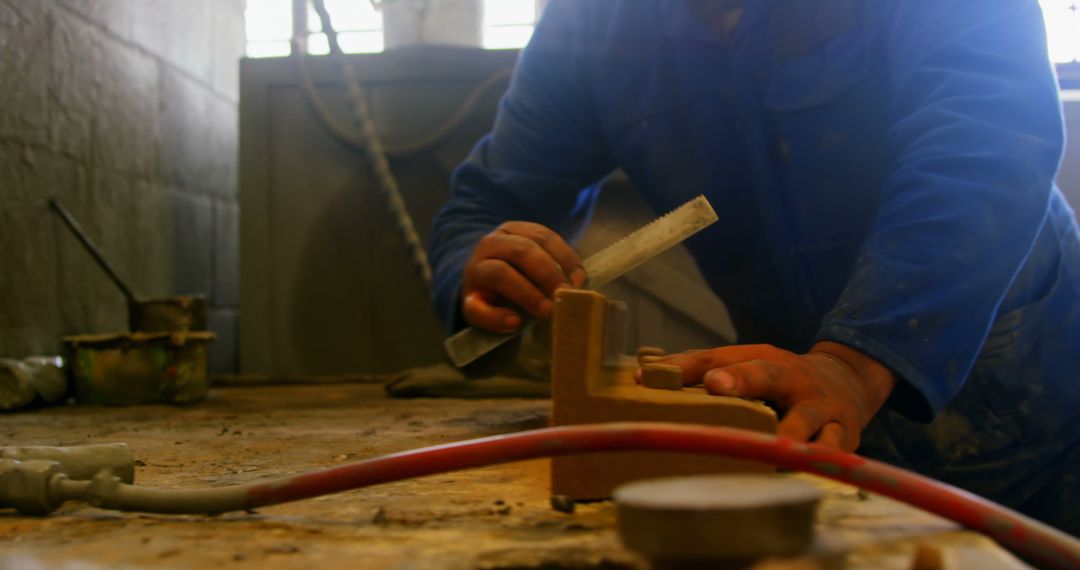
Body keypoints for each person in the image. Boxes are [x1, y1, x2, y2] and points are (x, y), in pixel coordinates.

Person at [427, 0, 1080, 533]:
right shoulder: (594, 22)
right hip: (805, 420)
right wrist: (483, 273)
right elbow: (487, 205)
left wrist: (854, 365)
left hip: (1026, 408)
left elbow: (986, 143)